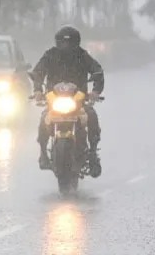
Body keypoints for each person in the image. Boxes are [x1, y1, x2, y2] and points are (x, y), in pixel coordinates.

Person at [31, 26, 104, 178]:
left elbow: (97, 70)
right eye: (63, 43)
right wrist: (37, 90)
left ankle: (92, 154)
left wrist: (95, 92)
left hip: (78, 101)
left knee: (91, 115)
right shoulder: (50, 55)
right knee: (44, 119)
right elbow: (38, 72)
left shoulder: (82, 56)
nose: (66, 47)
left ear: (76, 42)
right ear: (57, 42)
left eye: (69, 43)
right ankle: (43, 153)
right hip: (54, 100)